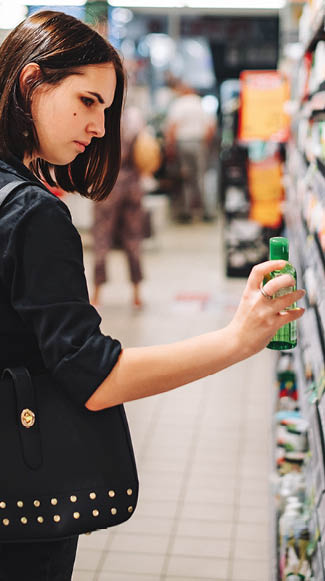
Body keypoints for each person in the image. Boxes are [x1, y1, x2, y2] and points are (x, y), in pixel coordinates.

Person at [0, 10, 305, 581]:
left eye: (107, 108)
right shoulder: (32, 214)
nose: (98, 125)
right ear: (30, 80)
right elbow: (94, 378)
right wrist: (236, 340)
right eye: (88, 100)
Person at [91, 106, 145, 309]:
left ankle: (96, 293)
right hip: (132, 184)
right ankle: (136, 293)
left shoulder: (101, 120)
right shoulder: (135, 118)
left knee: (102, 238)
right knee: (133, 238)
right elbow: (145, 155)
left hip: (107, 184)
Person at [165, 80, 216, 222]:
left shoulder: (178, 104)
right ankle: (206, 212)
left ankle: (186, 212)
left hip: (183, 143)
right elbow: (211, 128)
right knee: (200, 177)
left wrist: (170, 146)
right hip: (199, 142)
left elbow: (172, 127)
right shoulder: (200, 104)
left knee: (185, 177)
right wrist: (206, 144)